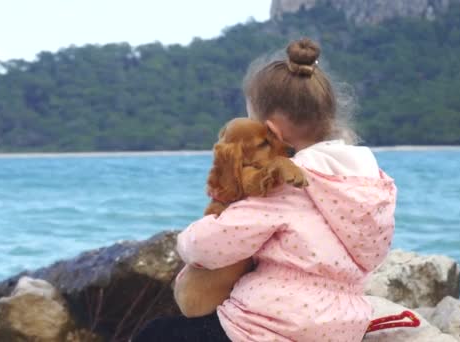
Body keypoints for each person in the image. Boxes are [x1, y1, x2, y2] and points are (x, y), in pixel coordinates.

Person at [132, 38, 396, 342]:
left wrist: (188, 237)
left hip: (268, 328)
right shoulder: (372, 184)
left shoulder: (287, 182)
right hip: (341, 328)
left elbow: (210, 245)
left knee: (155, 334)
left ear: (270, 132)